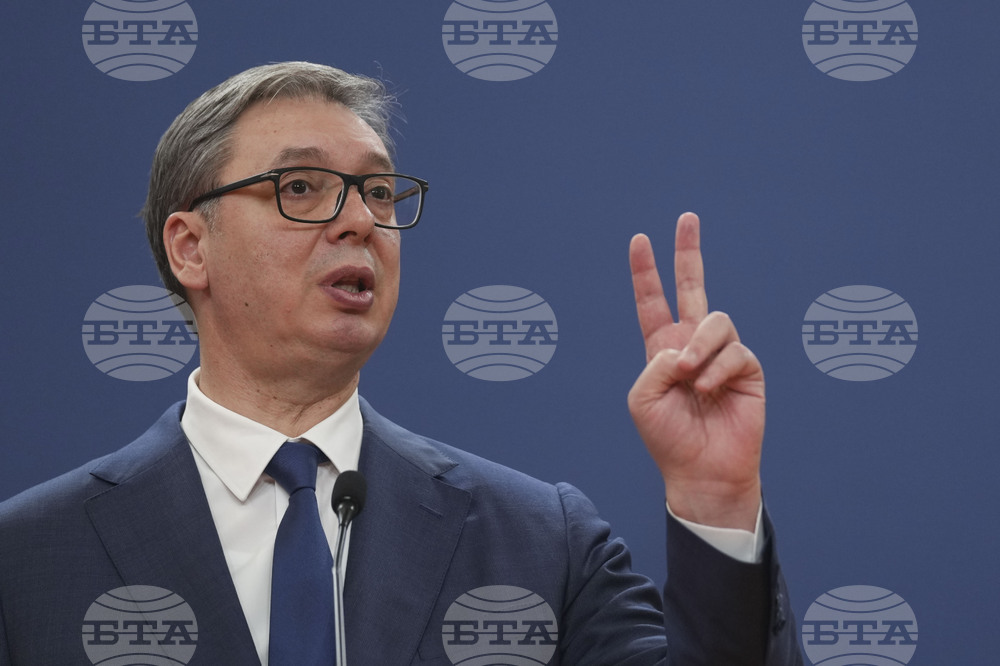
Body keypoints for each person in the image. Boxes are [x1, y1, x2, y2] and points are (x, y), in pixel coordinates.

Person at [0, 62, 803, 665]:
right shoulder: (28, 558)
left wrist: (715, 499)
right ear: (190, 247)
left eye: (379, 193)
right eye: (302, 187)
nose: (359, 220)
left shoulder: (540, 544)